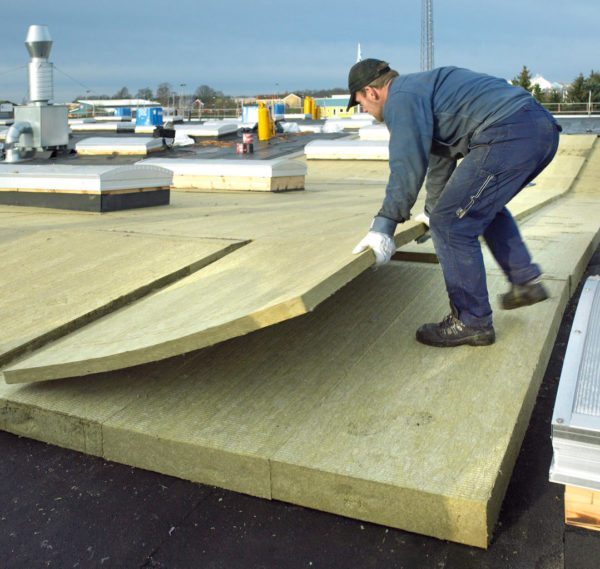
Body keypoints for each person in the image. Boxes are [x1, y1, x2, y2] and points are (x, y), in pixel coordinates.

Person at [349, 59, 561, 347]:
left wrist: (384, 226)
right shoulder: (422, 90)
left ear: (371, 92)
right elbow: (440, 159)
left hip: (508, 132)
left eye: (360, 102)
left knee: (451, 225)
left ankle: (472, 321)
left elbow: (407, 164)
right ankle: (524, 281)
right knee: (478, 208)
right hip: (538, 129)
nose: (364, 110)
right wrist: (432, 208)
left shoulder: (400, 99)